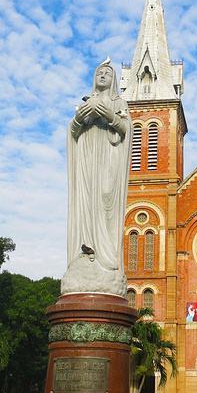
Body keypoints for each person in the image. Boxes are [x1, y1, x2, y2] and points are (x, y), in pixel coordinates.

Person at [62, 58, 131, 296]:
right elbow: (72, 131)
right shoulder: (84, 102)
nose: (103, 75)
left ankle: (105, 256)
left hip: (108, 160)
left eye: (108, 74)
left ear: (113, 81)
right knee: (86, 204)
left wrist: (110, 116)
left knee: (104, 203)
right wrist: (80, 119)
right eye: (99, 72)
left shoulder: (119, 102)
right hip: (87, 159)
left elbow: (126, 130)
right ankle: (86, 250)